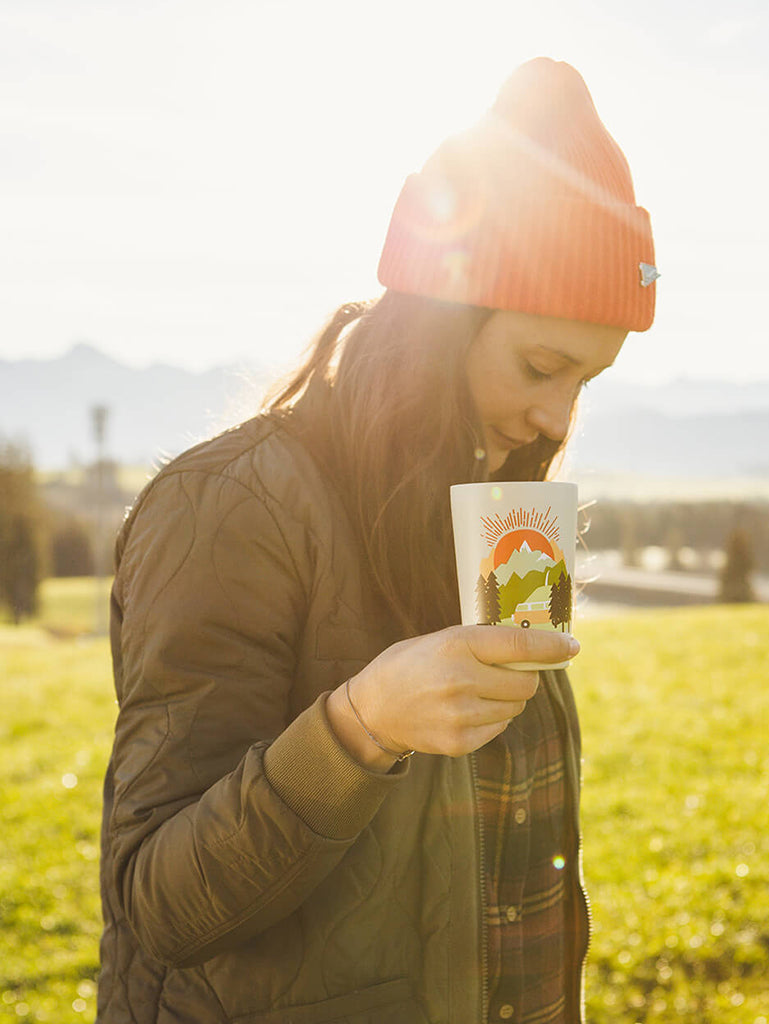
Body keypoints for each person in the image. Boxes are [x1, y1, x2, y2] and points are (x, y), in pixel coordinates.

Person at [97, 57, 656, 1023]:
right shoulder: (230, 507)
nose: (558, 415)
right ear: (441, 320)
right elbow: (156, 904)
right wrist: (360, 729)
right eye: (540, 363)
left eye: (587, 381)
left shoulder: (488, 512)